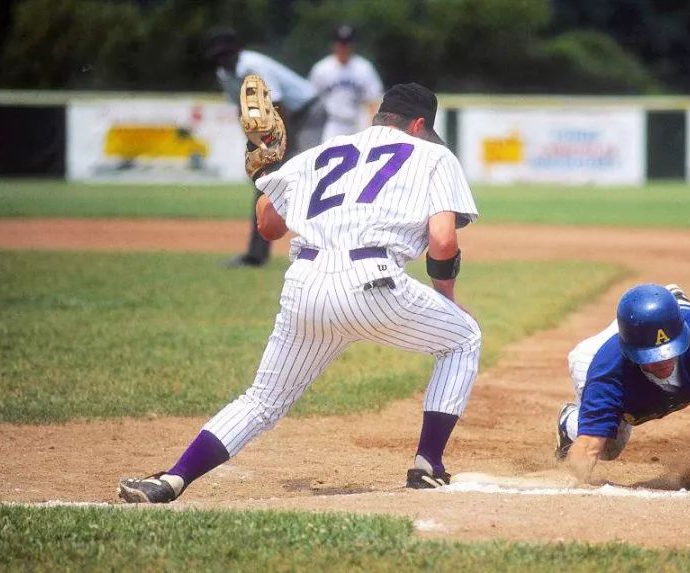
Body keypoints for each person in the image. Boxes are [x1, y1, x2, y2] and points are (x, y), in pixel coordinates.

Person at [118, 79, 480, 503]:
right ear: (419, 124)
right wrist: (446, 298)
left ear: (377, 117)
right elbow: (443, 240)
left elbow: (268, 226)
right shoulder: (435, 154)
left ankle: (171, 480)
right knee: (463, 339)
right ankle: (428, 465)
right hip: (374, 282)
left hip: (304, 284)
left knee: (262, 401)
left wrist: (264, 173)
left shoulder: (324, 151)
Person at [555, 283, 690, 484]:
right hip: (596, 362)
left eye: (669, 350)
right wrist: (572, 477)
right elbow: (589, 445)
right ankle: (570, 420)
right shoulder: (608, 373)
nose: (662, 361)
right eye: (651, 356)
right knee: (610, 446)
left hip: (660, 327)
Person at [205, 29, 324, 268]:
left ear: (237, 52)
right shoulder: (225, 74)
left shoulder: (254, 66)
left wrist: (279, 150)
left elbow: (278, 107)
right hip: (285, 118)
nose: (222, 60)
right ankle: (255, 255)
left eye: (226, 54)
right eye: (218, 56)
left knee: (309, 177)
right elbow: (243, 109)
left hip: (307, 112)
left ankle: (322, 251)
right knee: (268, 182)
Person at [307, 24, 384, 143]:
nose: (344, 47)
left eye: (347, 43)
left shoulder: (364, 68)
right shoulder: (321, 69)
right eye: (341, 43)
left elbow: (374, 100)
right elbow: (311, 101)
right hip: (332, 124)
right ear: (333, 45)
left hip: (359, 123)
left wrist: (373, 128)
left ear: (352, 45)